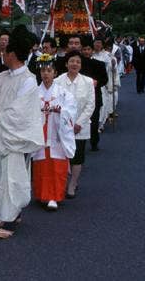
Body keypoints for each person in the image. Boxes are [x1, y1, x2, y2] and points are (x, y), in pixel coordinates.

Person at [0, 25, 43, 239]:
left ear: (12, 55)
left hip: (14, 139)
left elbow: (19, 112)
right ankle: (10, 214)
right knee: (0, 179)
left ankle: (8, 219)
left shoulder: (28, 80)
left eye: (5, 52)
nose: (2, 54)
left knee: (11, 180)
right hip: (0, 137)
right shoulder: (1, 77)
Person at [31, 54, 76, 211]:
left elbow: (71, 111)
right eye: (43, 70)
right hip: (41, 131)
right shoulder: (34, 93)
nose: (45, 74)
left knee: (56, 164)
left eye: (49, 70)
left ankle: (54, 196)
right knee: (41, 164)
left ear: (55, 73)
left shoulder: (64, 93)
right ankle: (42, 194)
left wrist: (61, 111)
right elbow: (28, 113)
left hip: (57, 133)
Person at [55, 50, 95, 198]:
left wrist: (78, 123)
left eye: (78, 62)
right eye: (72, 61)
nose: (74, 64)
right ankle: (62, 182)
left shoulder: (88, 82)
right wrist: (66, 124)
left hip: (80, 127)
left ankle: (72, 184)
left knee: (77, 157)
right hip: (61, 126)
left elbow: (90, 105)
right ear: (66, 63)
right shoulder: (58, 81)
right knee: (63, 156)